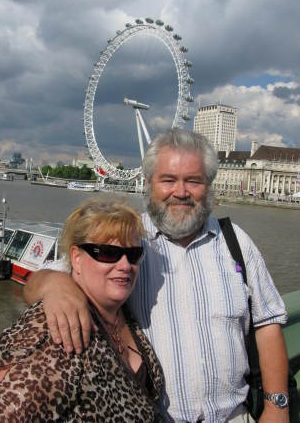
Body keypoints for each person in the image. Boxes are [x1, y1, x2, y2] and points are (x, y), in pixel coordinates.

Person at [24, 128, 289, 423]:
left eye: (193, 181)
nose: (181, 192)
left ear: (208, 185)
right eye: (168, 180)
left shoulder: (236, 243)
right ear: (149, 184)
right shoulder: (129, 243)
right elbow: (36, 283)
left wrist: (277, 406)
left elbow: (268, 323)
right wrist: (55, 284)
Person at [0, 199, 164, 422]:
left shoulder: (124, 315)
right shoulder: (55, 329)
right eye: (109, 253)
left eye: (133, 254)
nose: (125, 265)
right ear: (76, 258)